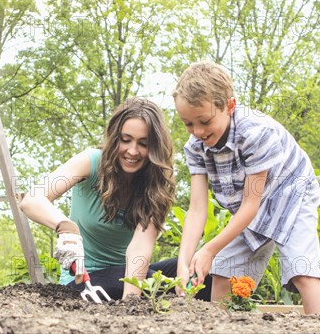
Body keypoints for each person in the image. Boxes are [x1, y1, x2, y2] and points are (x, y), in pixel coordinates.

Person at [172, 61, 320, 316]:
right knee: (223, 271)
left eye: (204, 121)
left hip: (292, 193)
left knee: (302, 271)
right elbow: (196, 209)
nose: (197, 131)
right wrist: (183, 263)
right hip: (252, 206)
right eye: (188, 124)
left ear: (230, 106)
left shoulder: (254, 133)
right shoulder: (195, 147)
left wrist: (209, 249)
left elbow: (250, 206)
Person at [19, 97, 211, 300]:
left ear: (154, 148)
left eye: (143, 144)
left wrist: (130, 302)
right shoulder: (91, 162)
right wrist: (64, 226)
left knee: (199, 270)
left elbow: (140, 250)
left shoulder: (156, 184)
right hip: (84, 281)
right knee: (148, 282)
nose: (132, 151)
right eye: (125, 140)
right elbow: (32, 199)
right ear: (114, 138)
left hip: (127, 275)